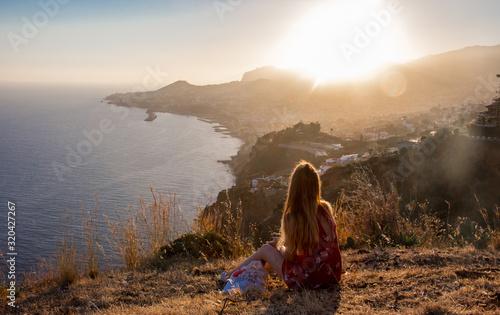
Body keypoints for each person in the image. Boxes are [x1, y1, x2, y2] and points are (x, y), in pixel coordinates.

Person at [221, 161, 342, 290]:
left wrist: (280, 246)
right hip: (332, 276)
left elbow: (290, 256)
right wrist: (282, 244)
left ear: (294, 187)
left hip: (306, 282)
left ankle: (229, 275)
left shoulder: (294, 216)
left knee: (266, 249)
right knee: (271, 252)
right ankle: (244, 273)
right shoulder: (325, 208)